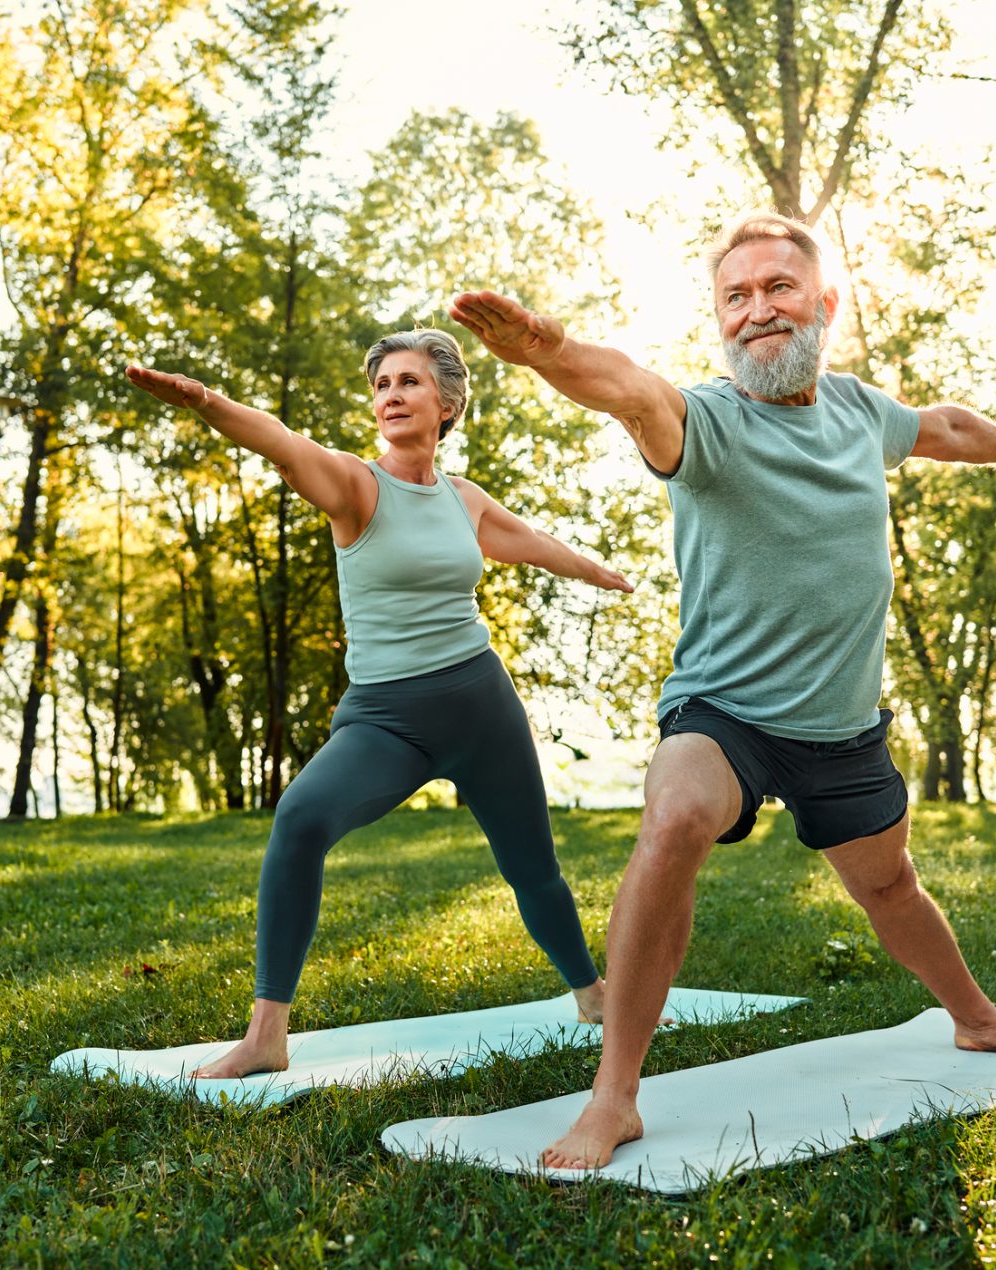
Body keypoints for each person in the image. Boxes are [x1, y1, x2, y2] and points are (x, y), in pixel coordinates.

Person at [448, 211, 996, 1170]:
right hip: (725, 715)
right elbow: (629, 392)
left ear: (823, 305)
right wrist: (550, 352)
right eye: (735, 298)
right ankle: (614, 1095)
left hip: (840, 729)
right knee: (674, 817)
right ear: (719, 321)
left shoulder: (863, 413)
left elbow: (945, 425)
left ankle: (978, 1018)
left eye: (778, 289)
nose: (757, 312)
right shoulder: (706, 422)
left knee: (890, 886)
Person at [123, 328, 633, 1079]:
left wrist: (598, 574)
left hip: (483, 707)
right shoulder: (357, 488)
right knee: (299, 818)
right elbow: (285, 446)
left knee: (533, 868)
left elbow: (528, 541)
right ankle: (267, 1034)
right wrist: (206, 402)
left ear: (449, 404)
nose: (391, 396)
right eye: (383, 385)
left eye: (409, 383)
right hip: (389, 720)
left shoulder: (464, 499)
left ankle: (591, 994)